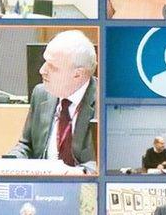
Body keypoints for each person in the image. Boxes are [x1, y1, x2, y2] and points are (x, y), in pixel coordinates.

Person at [8, 30, 98, 173]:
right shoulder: (40, 93)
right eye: (45, 62)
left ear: (78, 74)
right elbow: (27, 145)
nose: (42, 70)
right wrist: (10, 162)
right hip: (42, 188)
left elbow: (106, 162)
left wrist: (76, 174)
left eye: (52, 67)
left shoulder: (104, 103)